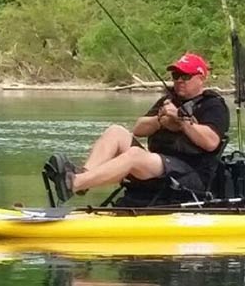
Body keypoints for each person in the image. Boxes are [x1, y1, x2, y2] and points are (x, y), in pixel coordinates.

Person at [44, 52, 230, 204]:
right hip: (158, 164)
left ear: (200, 78)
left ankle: (73, 183)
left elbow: (211, 142)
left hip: (189, 172)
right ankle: (85, 177)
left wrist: (181, 120)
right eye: (175, 76)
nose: (179, 80)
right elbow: (139, 129)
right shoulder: (169, 101)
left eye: (185, 76)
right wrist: (160, 120)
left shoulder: (213, 105)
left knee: (134, 155)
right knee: (116, 131)